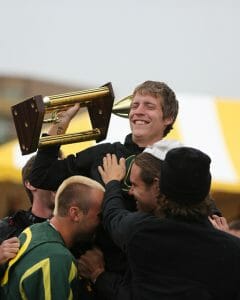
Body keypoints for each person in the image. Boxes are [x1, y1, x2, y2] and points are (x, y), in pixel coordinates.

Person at [29, 80, 179, 274]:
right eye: (134, 105)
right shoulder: (105, 154)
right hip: (98, 273)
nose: (138, 111)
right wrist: (60, 125)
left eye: (149, 106)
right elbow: (42, 175)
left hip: (153, 273)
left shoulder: (177, 162)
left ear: (168, 117)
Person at [91, 148, 240, 299]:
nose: (130, 191)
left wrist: (112, 183)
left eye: (134, 185)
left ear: (159, 186)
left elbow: (113, 217)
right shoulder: (232, 250)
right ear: (205, 191)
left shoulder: (142, 233)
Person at [0, 175, 105, 300]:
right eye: (99, 215)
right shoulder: (56, 258)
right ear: (75, 213)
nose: (102, 221)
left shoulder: (34, 230)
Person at [0, 155, 55, 242]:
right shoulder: (7, 229)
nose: (60, 179)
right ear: (31, 184)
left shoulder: (75, 226)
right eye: (53, 174)